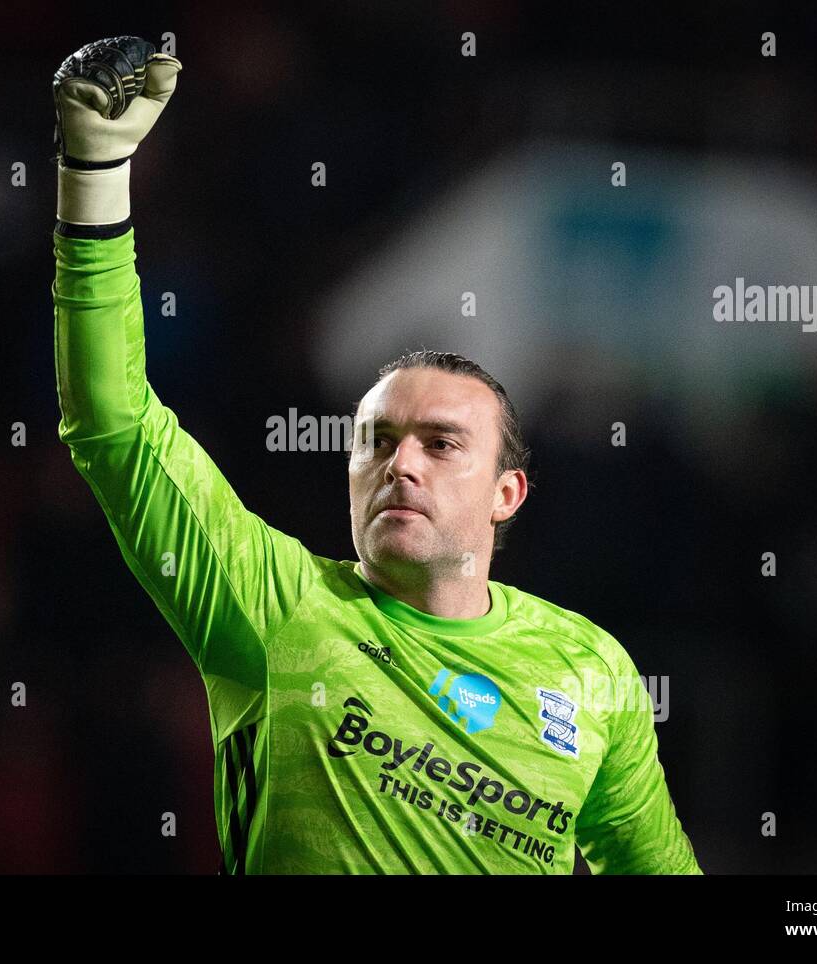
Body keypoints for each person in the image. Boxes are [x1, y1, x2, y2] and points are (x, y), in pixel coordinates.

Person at [51, 36, 701, 874]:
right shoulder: (274, 607)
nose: (402, 464)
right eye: (379, 443)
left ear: (508, 493)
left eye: (442, 444)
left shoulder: (591, 671)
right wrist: (94, 177)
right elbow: (115, 424)